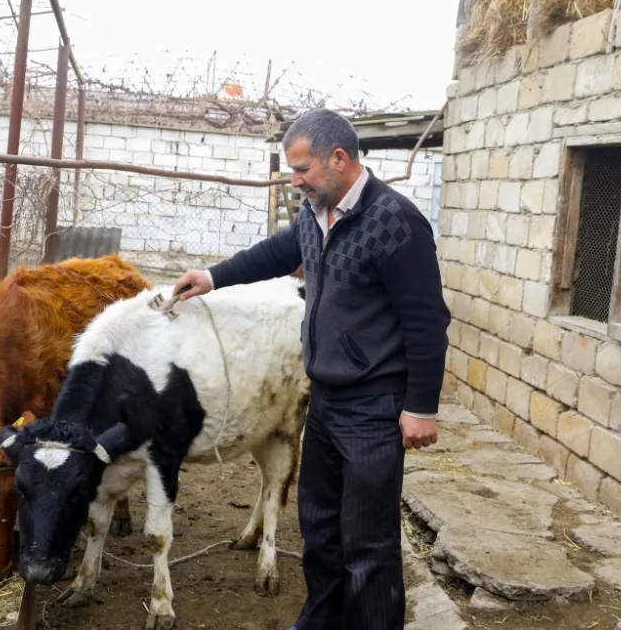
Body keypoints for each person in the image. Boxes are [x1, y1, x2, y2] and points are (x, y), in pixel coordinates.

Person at [172, 108, 451, 630]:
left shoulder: (397, 222)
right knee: (320, 532)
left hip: (374, 406)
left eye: (301, 170)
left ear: (339, 159)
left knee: (369, 545)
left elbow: (426, 320)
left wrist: (420, 405)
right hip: (324, 398)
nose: (294, 180)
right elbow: (276, 252)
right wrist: (213, 276)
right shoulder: (314, 212)